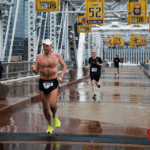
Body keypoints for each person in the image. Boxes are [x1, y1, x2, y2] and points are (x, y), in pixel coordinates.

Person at [31, 39, 67, 134]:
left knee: (52, 104)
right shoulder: (39, 57)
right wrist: (33, 69)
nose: (45, 47)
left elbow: (64, 66)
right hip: (42, 82)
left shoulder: (57, 55)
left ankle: (55, 116)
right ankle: (50, 125)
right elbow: (36, 71)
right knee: (45, 107)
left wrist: (61, 76)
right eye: (43, 45)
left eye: (47, 45)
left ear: (51, 46)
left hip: (53, 81)